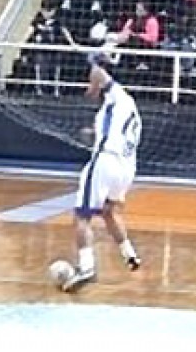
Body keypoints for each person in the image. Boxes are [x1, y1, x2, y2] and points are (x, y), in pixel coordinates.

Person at [57, 55, 141, 293]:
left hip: (107, 160)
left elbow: (97, 70)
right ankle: (130, 255)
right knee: (109, 211)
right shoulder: (127, 109)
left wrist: (94, 85)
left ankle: (87, 267)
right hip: (126, 167)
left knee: (81, 217)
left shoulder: (118, 95)